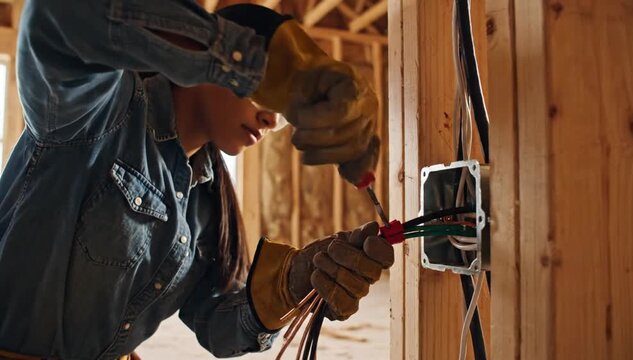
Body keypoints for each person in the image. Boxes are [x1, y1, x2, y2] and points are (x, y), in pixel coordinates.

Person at [0, 1, 394, 359]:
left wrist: (291, 285)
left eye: (283, 110)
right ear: (201, 69)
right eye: (263, 93)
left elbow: (217, 327)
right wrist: (249, 60)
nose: (272, 120)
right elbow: (55, 15)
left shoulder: (206, 205)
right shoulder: (96, 113)